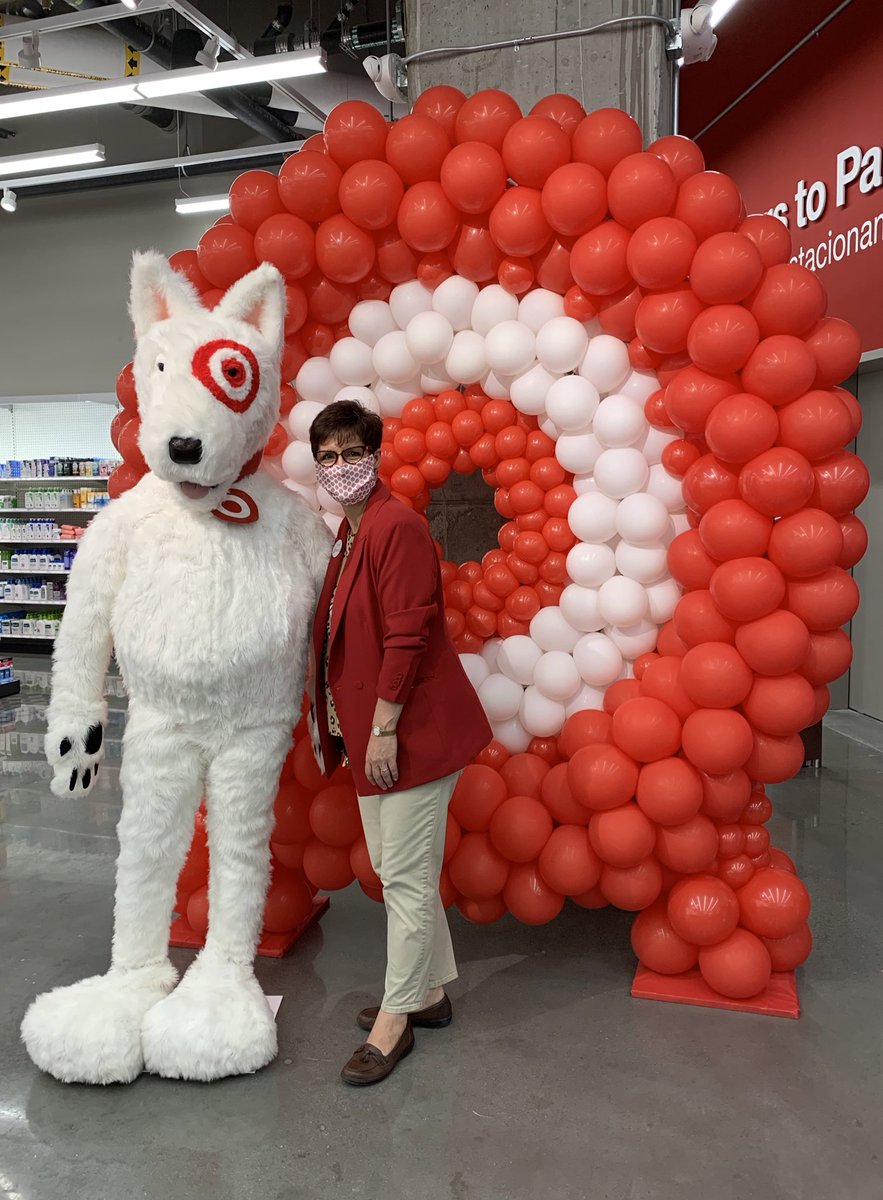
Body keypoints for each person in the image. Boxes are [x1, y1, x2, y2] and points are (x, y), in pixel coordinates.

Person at [308, 399, 492, 1086]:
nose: (341, 467)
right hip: (370, 732)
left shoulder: (396, 526)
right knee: (396, 870)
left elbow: (408, 635)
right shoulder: (349, 531)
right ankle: (430, 993)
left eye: (352, 453)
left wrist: (384, 726)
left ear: (375, 456)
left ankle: (396, 1019)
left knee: (407, 879)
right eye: (327, 457)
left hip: (409, 732)